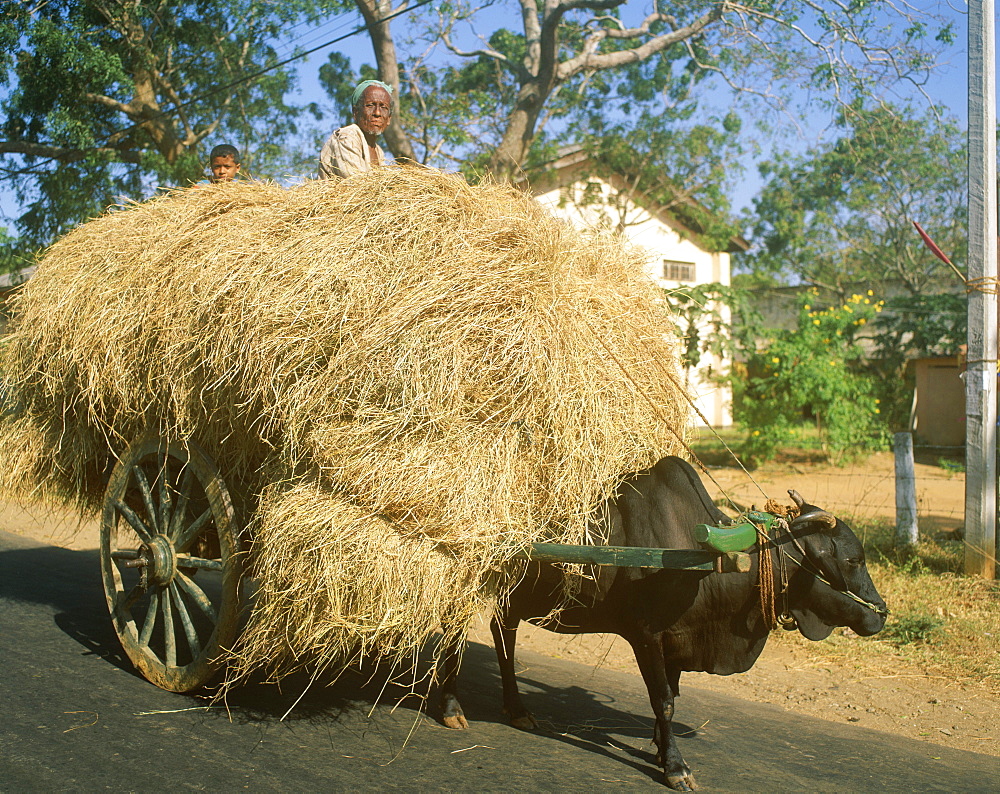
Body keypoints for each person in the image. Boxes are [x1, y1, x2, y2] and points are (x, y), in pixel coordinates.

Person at [318, 80, 393, 179]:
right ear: (355, 112)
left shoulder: (378, 151)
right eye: (370, 105)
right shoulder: (347, 137)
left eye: (384, 107)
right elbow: (357, 185)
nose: (377, 113)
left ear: (389, 119)